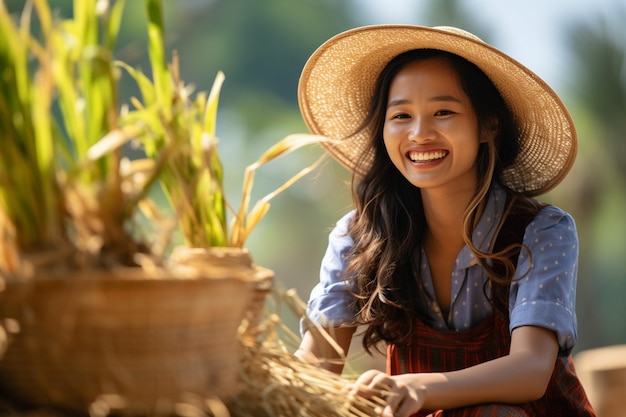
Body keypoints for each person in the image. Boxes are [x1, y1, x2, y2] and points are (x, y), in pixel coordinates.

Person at [294, 25, 596, 417]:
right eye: (401, 115)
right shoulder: (359, 236)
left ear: (489, 125)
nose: (420, 134)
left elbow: (532, 370)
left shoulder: (541, 230)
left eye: (443, 112)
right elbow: (318, 362)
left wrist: (419, 387)